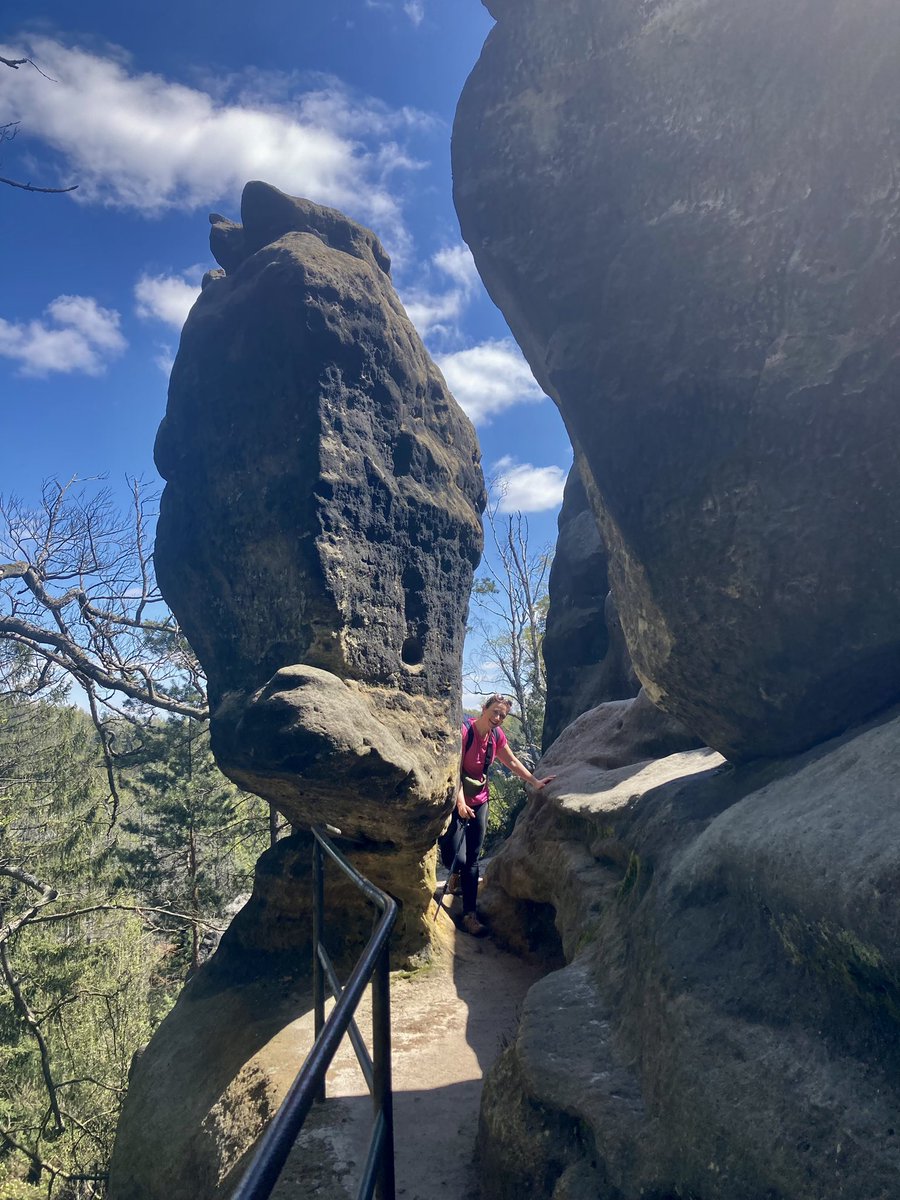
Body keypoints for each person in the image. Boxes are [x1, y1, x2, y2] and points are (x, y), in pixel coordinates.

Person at [449, 694, 556, 936]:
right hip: (458, 801)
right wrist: (460, 802)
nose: (497, 718)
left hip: (480, 801)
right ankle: (455, 874)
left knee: (473, 859)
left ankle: (469, 915)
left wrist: (535, 781)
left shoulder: (496, 737)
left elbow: (512, 762)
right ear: (484, 708)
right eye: (495, 712)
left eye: (502, 715)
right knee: (456, 856)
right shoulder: (465, 733)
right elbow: (452, 769)